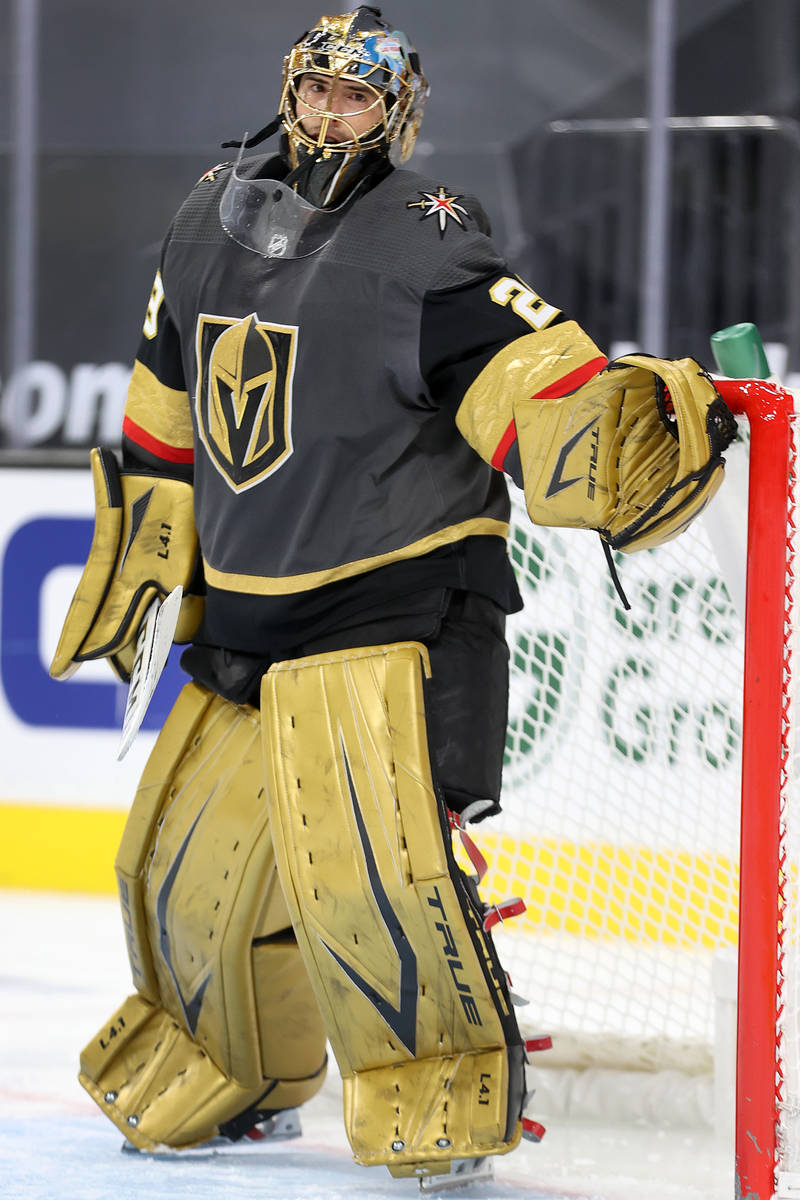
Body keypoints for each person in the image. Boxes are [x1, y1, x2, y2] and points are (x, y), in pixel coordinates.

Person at [50, 5, 735, 1185]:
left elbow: (522, 374)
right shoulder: (203, 214)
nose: (328, 113)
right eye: (316, 89)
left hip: (387, 602)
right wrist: (149, 529)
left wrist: (613, 426)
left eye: (354, 98)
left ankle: (436, 1086)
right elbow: (166, 396)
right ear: (288, 88)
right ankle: (235, 1071)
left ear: (395, 111)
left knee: (368, 878)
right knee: (170, 876)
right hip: (248, 606)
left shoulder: (424, 240)